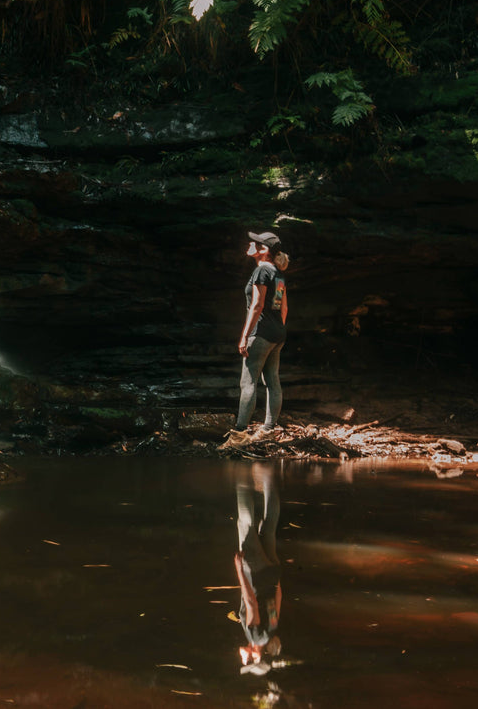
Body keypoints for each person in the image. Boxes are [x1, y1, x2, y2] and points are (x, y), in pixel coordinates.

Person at [222, 231, 289, 449]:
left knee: (248, 382)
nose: (250, 243)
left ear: (264, 250)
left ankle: (239, 435)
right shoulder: (277, 273)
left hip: (260, 333)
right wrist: (277, 329)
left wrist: (244, 335)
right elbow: (284, 307)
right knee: (272, 381)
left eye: (256, 242)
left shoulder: (261, 271)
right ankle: (268, 430)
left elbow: (257, 306)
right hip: (277, 332)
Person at [233, 462, 282, 675]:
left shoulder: (270, 633)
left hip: (272, 573)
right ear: (254, 655)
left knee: (268, 526)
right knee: (246, 524)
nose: (241, 658)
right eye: (246, 660)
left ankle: (269, 478)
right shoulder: (254, 637)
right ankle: (241, 473)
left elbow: (277, 600)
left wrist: (276, 579)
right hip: (255, 571)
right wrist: (239, 570)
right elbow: (251, 602)